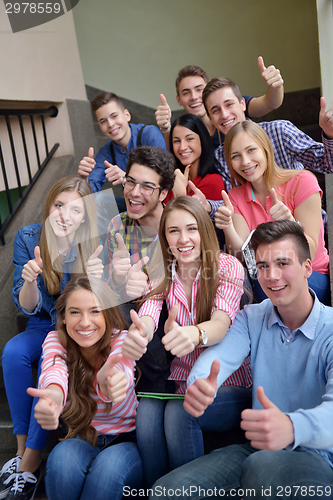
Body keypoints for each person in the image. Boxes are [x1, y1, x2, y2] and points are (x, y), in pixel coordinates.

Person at [150, 220, 333, 500]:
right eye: (262, 266)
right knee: (166, 491)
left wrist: (292, 426)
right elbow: (221, 356)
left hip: (318, 456)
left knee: (262, 467)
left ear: (308, 267)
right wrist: (200, 382)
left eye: (282, 263)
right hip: (257, 450)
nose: (271, 276)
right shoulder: (253, 316)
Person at [122, 196, 251, 488]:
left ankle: (185, 492)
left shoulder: (227, 266)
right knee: (147, 414)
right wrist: (141, 331)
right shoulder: (163, 271)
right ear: (164, 237)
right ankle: (157, 492)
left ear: (204, 230)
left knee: (179, 413)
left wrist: (194, 334)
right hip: (181, 381)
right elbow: (150, 313)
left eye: (191, 229)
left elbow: (220, 324)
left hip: (227, 384)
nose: (183, 239)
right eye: (173, 231)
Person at [0, 177, 103, 500]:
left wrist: (100, 280)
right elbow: (26, 305)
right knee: (12, 352)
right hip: (42, 322)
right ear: (49, 206)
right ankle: (19, 450)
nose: (64, 216)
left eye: (75, 210)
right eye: (59, 206)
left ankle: (30, 464)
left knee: (50, 356)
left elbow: (96, 306)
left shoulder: (92, 242)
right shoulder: (28, 236)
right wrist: (30, 280)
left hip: (74, 328)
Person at [28, 275, 143, 500]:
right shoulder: (55, 341)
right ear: (62, 317)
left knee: (106, 475)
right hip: (80, 438)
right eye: (74, 312)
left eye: (95, 311)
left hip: (125, 441)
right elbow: (54, 373)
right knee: (60, 463)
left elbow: (122, 372)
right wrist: (52, 396)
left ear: (108, 314)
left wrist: (109, 384)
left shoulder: (121, 339)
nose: (85, 322)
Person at [215, 120, 330, 305]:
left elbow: (309, 251)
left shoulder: (303, 181)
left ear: (266, 149)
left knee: (267, 280)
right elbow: (242, 257)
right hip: (266, 279)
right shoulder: (234, 196)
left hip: (311, 275)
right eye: (236, 156)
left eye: (251, 150)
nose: (245, 161)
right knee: (252, 280)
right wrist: (228, 227)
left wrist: (291, 224)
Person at [200, 76, 333, 196]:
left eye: (229, 104)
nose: (224, 115)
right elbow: (234, 203)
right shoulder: (220, 156)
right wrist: (207, 206)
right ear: (210, 118)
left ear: (242, 104)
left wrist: (330, 134)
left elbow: (328, 165)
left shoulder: (279, 131)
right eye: (216, 110)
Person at [78, 92, 168, 235]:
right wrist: (84, 178)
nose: (111, 124)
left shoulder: (148, 134)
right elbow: (90, 191)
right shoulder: (107, 151)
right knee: (98, 200)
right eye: (103, 121)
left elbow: (165, 178)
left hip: (158, 203)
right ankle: (106, 252)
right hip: (133, 204)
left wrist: (128, 179)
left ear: (127, 115)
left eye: (114, 116)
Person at [155, 57, 284, 150]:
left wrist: (276, 86)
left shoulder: (230, 106)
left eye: (199, 89)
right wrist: (166, 130)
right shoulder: (185, 127)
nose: (194, 97)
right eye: (186, 93)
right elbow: (175, 155)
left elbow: (269, 103)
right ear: (179, 100)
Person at [107, 145, 175, 306]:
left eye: (147, 187)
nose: (135, 192)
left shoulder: (179, 228)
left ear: (163, 194)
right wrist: (118, 278)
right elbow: (113, 297)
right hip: (133, 310)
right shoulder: (117, 226)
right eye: (131, 182)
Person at [166, 113, 225, 202]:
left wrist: (180, 195)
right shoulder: (174, 179)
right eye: (177, 141)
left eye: (189, 139)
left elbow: (190, 215)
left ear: (202, 140)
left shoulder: (213, 182)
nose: (182, 147)